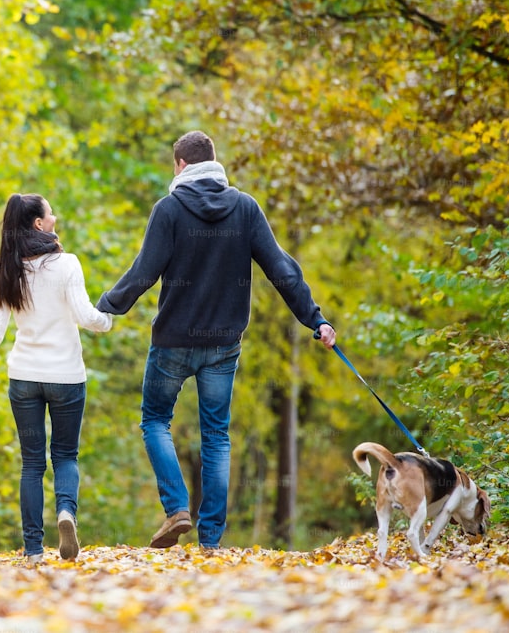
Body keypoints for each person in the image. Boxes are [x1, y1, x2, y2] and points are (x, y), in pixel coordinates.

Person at [95, 131, 337, 550]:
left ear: (181, 166)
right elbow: (281, 269)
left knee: (155, 420)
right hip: (223, 345)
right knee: (217, 436)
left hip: (173, 341)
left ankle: (176, 509)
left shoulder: (169, 210)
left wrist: (104, 308)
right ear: (213, 162)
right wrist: (314, 320)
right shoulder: (244, 209)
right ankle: (210, 541)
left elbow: (143, 273)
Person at [0, 193, 112, 564]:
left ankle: (34, 551)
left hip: (24, 379)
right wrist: (107, 319)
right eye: (51, 213)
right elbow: (86, 317)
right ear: (39, 223)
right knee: (65, 455)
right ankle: (66, 512)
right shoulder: (67, 265)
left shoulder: (3, 270)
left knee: (32, 464)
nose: (55, 218)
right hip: (66, 377)